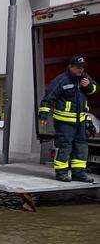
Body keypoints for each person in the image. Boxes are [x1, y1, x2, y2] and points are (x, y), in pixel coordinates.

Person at [38, 55, 97, 183]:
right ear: (70, 67)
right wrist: (43, 115)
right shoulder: (61, 80)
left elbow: (94, 89)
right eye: (78, 68)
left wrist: (88, 86)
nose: (80, 70)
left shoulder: (85, 78)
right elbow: (48, 97)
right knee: (65, 146)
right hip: (64, 122)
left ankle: (78, 173)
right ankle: (61, 173)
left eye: (82, 68)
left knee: (81, 146)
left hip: (81, 121)